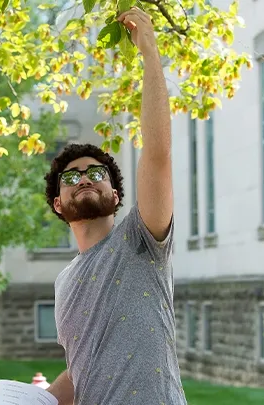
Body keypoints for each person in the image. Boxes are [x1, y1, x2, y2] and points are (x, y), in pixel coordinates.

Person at [42, 7, 186, 405]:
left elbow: (157, 154)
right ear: (58, 203)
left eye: (96, 172)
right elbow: (80, 367)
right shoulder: (63, 283)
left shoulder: (141, 238)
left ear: (117, 197)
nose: (84, 178)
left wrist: (150, 52)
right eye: (70, 177)